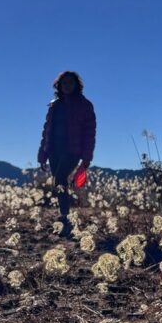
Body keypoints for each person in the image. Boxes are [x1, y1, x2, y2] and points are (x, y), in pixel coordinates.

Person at [37, 71, 96, 236]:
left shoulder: (85, 105)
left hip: (73, 150)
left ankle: (65, 218)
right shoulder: (54, 105)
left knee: (60, 178)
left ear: (77, 85)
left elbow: (89, 132)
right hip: (54, 149)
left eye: (71, 83)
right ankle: (65, 216)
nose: (67, 86)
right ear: (59, 86)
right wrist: (42, 154)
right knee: (58, 182)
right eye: (64, 83)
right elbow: (46, 131)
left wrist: (86, 157)